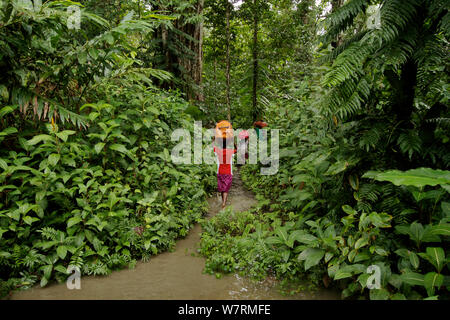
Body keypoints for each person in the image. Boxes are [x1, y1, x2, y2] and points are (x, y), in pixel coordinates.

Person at [212, 136, 236, 209]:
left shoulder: (218, 151)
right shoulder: (230, 151)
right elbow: (237, 149)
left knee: (222, 188)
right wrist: (233, 141)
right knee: (226, 189)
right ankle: (224, 203)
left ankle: (223, 201)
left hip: (220, 172)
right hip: (228, 172)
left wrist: (214, 140)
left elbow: (213, 146)